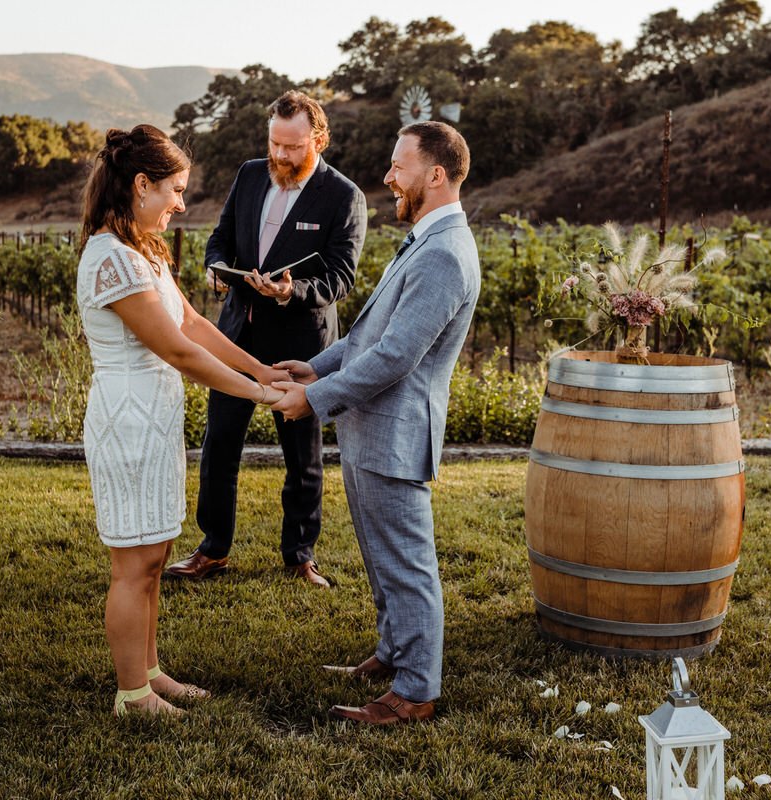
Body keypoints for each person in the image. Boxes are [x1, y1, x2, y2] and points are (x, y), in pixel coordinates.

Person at [271, 122, 480, 725]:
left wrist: (313, 401)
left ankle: (416, 689)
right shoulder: (425, 239)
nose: (388, 177)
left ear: (435, 175)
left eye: (399, 166)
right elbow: (368, 336)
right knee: (382, 557)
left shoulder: (442, 252)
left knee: (408, 565)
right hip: (371, 428)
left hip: (396, 431)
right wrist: (313, 368)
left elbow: (395, 358)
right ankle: (393, 652)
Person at [76, 124, 288, 716]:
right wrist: (257, 395)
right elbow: (178, 351)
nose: (181, 203)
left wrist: (262, 371)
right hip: (128, 422)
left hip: (155, 419)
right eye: (175, 189)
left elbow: (195, 325)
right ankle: (132, 695)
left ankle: (150, 671)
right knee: (133, 563)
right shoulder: (110, 258)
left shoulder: (142, 250)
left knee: (156, 556)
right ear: (141, 185)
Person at [164, 90, 367, 588]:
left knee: (303, 459)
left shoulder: (345, 196)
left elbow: (340, 278)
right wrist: (215, 267)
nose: (280, 155)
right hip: (237, 337)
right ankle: (212, 550)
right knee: (219, 447)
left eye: (292, 147)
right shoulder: (250, 173)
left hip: (301, 346)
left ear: (318, 140)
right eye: (275, 143)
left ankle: (300, 555)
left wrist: (288, 292)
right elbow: (221, 236)